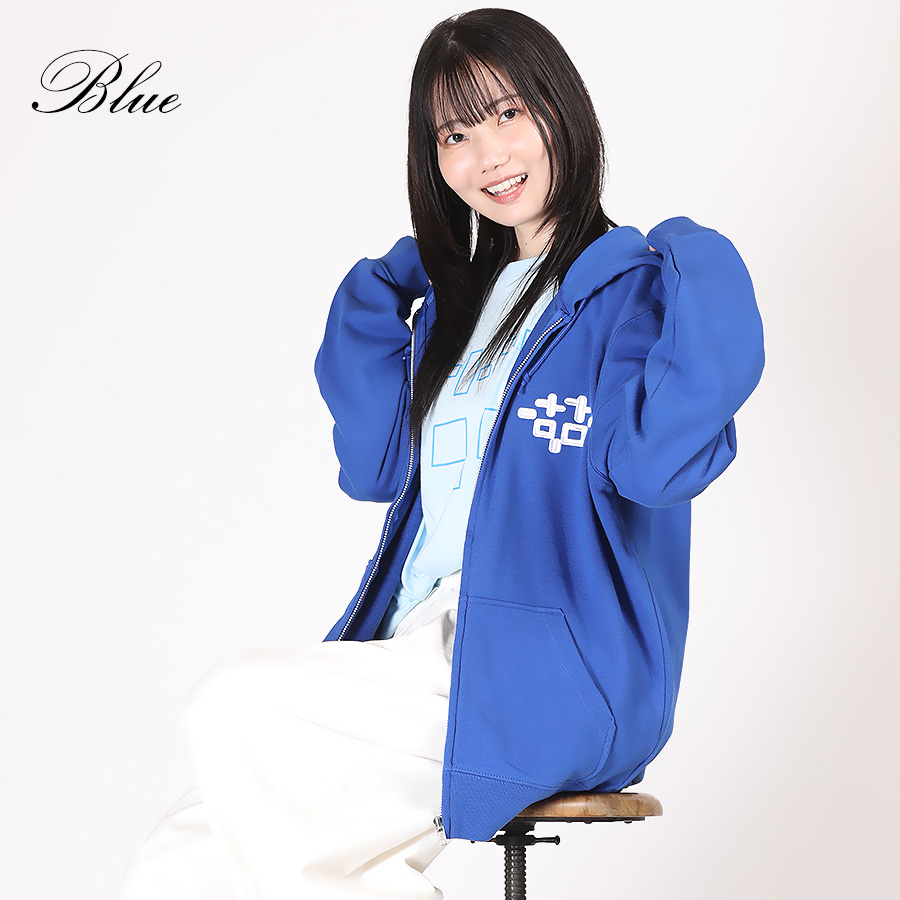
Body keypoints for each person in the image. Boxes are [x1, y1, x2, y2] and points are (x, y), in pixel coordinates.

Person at [118, 7, 765, 900]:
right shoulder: (457, 314)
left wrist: (702, 259)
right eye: (455, 134)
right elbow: (374, 468)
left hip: (550, 665)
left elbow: (657, 467)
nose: (487, 155)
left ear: (563, 109)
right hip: (420, 647)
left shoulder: (630, 297)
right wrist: (385, 286)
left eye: (508, 113)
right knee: (176, 865)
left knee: (233, 702)